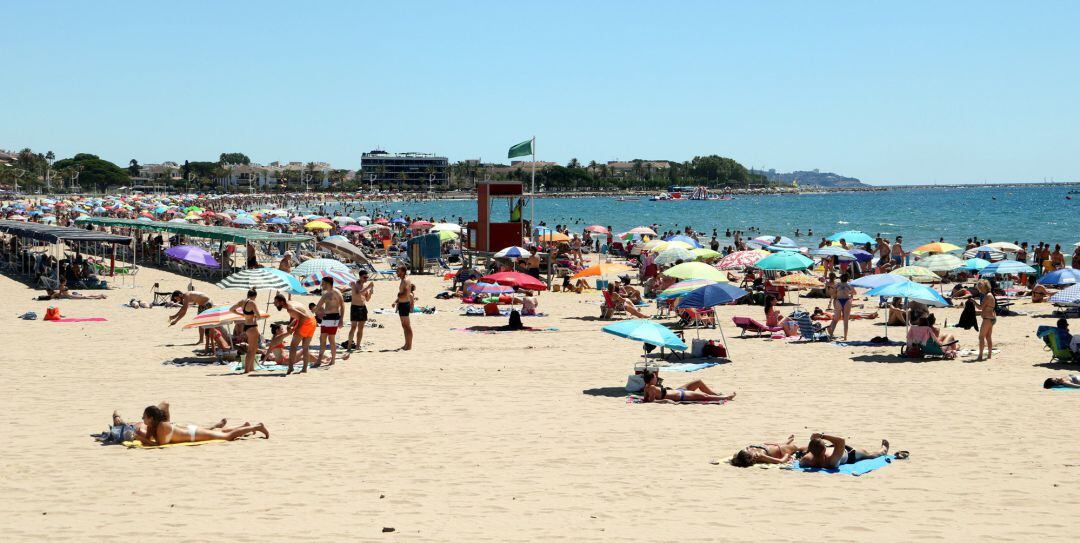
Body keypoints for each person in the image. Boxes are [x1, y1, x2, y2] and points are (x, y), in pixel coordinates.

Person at [141, 404, 268, 445]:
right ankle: (243, 426)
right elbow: (149, 439)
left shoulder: (162, 427)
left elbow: (160, 445)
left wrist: (139, 438)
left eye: (144, 417)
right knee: (220, 432)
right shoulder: (154, 426)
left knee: (227, 437)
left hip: (193, 434)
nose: (142, 419)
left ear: (151, 418)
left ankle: (257, 427)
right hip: (192, 432)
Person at [273, 293, 317, 374]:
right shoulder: (291, 303)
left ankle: (290, 368)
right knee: (305, 347)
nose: (274, 304)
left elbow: (303, 317)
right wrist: (290, 325)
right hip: (313, 322)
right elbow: (300, 316)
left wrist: (296, 328)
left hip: (306, 322)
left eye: (276, 302)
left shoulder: (290, 308)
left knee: (293, 346)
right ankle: (304, 369)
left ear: (282, 302)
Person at [798, 433, 892, 470]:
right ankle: (884, 449)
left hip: (832, 448)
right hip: (849, 453)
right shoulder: (831, 461)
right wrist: (822, 436)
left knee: (805, 446)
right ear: (824, 450)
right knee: (870, 455)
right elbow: (841, 441)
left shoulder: (806, 459)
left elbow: (801, 461)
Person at [640, 370, 735, 403]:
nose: (657, 378)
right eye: (655, 377)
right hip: (681, 395)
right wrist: (666, 400)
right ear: (652, 379)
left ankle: (715, 394)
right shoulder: (652, 388)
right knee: (705, 397)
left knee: (698, 382)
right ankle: (725, 397)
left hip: (678, 390)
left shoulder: (647, 387)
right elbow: (651, 401)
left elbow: (645, 399)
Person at [314, 276, 345, 366]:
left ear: (327, 284)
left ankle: (333, 360)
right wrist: (309, 313)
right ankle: (319, 360)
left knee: (331, 339)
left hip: (334, 317)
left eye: (323, 283)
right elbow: (318, 306)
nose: (321, 285)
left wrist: (341, 319)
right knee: (322, 338)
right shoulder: (325, 294)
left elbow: (342, 306)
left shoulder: (336, 292)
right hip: (326, 317)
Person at [228, 289, 261, 373]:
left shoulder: (242, 301)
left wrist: (241, 314)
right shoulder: (252, 303)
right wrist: (254, 315)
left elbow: (231, 309)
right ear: (255, 296)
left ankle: (251, 368)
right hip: (252, 327)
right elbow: (259, 316)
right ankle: (247, 370)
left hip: (246, 326)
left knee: (253, 349)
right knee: (251, 349)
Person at [730, 435, 805, 467]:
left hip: (774, 446)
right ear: (750, 456)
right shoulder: (759, 456)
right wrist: (786, 456)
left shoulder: (750, 452)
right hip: (783, 450)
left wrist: (737, 457)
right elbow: (780, 461)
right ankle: (789, 443)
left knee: (767, 444)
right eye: (747, 449)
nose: (748, 448)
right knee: (799, 448)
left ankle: (787, 441)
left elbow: (735, 455)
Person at [346, 270, 373, 351]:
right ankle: (349, 346)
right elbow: (357, 293)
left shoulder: (365, 285)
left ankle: (358, 346)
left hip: (363, 307)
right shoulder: (354, 284)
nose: (366, 279)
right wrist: (368, 287)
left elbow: (367, 299)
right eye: (364, 277)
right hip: (354, 307)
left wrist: (370, 292)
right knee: (353, 327)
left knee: (360, 328)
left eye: (367, 277)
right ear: (360, 276)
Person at [827, 273, 856, 340]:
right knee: (846, 320)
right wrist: (849, 293)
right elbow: (854, 293)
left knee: (836, 318)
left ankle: (831, 333)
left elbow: (833, 294)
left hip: (838, 301)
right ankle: (845, 337)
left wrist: (831, 302)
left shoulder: (837, 285)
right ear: (847, 279)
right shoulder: (849, 285)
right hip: (846, 301)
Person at [393, 265, 414, 351]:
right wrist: (396, 301)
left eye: (398, 271)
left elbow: (405, 293)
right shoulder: (402, 280)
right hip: (401, 304)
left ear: (403, 271)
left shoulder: (406, 280)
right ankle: (406, 344)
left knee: (407, 326)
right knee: (404, 325)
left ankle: (409, 345)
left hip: (405, 304)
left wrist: (398, 295)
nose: (396, 272)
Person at [976, 279, 996, 361]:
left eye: (981, 289)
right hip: (992, 318)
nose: (980, 290)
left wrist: (973, 301)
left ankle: (980, 356)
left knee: (981, 337)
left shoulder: (987, 296)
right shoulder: (991, 295)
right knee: (988, 337)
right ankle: (989, 355)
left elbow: (980, 307)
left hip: (987, 318)